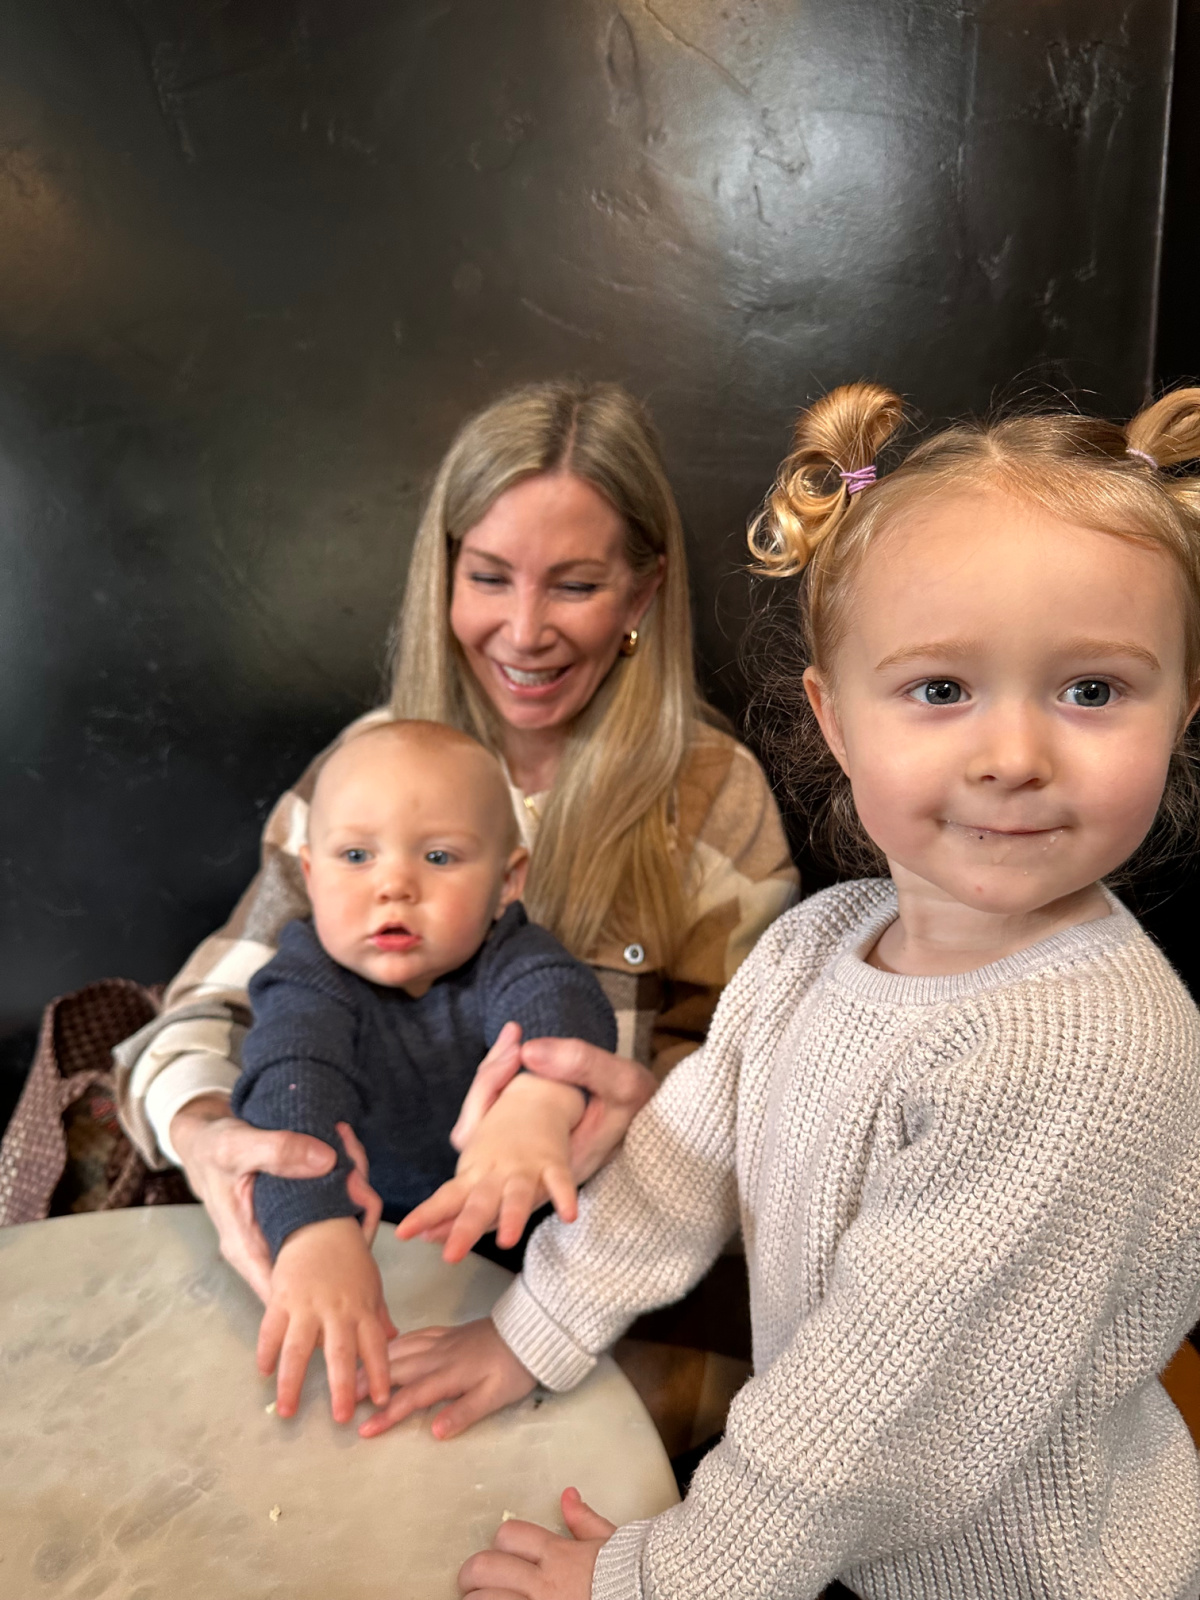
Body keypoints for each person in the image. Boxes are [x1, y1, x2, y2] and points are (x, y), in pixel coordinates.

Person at [362, 383, 1200, 1598]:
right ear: (835, 718)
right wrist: (532, 1331)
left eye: (1093, 691)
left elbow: (876, 1408)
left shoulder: (1078, 1048)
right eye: (940, 689)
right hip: (846, 1550)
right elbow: (680, 1163)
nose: (1013, 756)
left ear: (1182, 709)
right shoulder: (821, 941)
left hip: (1028, 1574)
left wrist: (661, 1578)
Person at [113, 379, 798, 1305]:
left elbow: (758, 1093)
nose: (524, 632)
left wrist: (626, 1115)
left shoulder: (712, 793)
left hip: (600, 1286)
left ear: (642, 593)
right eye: (488, 577)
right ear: (442, 575)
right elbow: (223, 1000)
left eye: (576, 585)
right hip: (371, 1263)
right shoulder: (365, 764)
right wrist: (203, 1131)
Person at [233, 719, 617, 1426]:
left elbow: (559, 1001)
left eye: (439, 856)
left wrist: (537, 1100)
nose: (394, 886)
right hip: (369, 1241)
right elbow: (290, 1080)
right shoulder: (307, 976)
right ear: (310, 876)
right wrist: (312, 1228)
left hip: (518, 1248)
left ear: (507, 882)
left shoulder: (510, 955)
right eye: (356, 855)